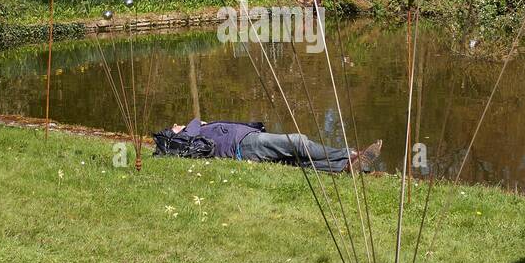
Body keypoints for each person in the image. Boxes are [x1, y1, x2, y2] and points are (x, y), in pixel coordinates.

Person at [163, 118, 381, 173]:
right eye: (173, 126)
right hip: (245, 144)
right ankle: (350, 153)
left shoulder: (195, 133)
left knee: (297, 162)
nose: (176, 124)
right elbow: (187, 132)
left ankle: (345, 166)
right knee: (297, 142)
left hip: (247, 142)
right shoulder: (186, 137)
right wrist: (188, 126)